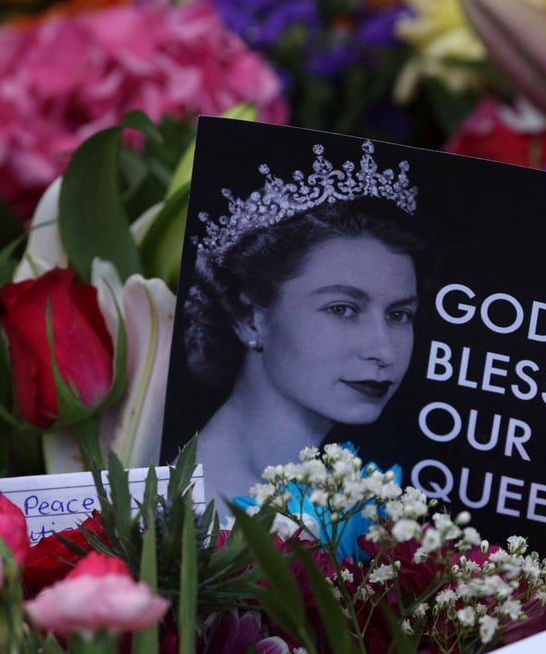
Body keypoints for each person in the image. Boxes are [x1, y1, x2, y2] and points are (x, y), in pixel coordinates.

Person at [179, 139, 426, 510]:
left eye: (398, 315)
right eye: (342, 309)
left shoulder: (344, 494)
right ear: (249, 317)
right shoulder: (196, 508)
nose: (384, 351)